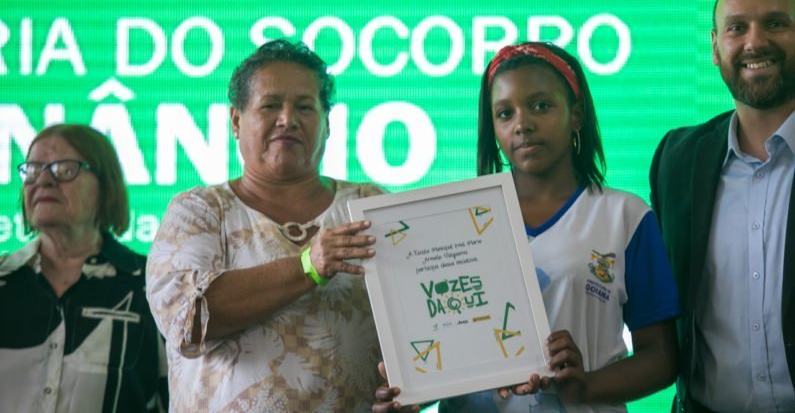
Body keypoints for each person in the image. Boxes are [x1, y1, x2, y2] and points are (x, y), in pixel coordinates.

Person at [374, 42, 680, 413]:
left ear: (577, 115)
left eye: (541, 105)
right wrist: (411, 391)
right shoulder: (452, 222)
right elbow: (445, 351)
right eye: (505, 113)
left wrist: (586, 385)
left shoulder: (625, 216)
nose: (522, 124)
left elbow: (661, 359)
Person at [146, 39, 384, 412]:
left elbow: (423, 329)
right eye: (271, 105)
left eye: (305, 107)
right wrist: (308, 266)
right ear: (236, 121)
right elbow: (187, 321)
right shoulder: (198, 211)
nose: (288, 119)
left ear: (327, 123)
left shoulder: (370, 205)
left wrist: (408, 392)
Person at [650, 0, 795, 412]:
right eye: (737, 28)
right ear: (715, 47)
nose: (755, 42)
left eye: (776, 23)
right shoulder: (677, 158)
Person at [0, 124, 168, 413]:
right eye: (33, 169)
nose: (43, 180)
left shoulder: (152, 285)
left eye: (64, 169)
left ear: (106, 185)